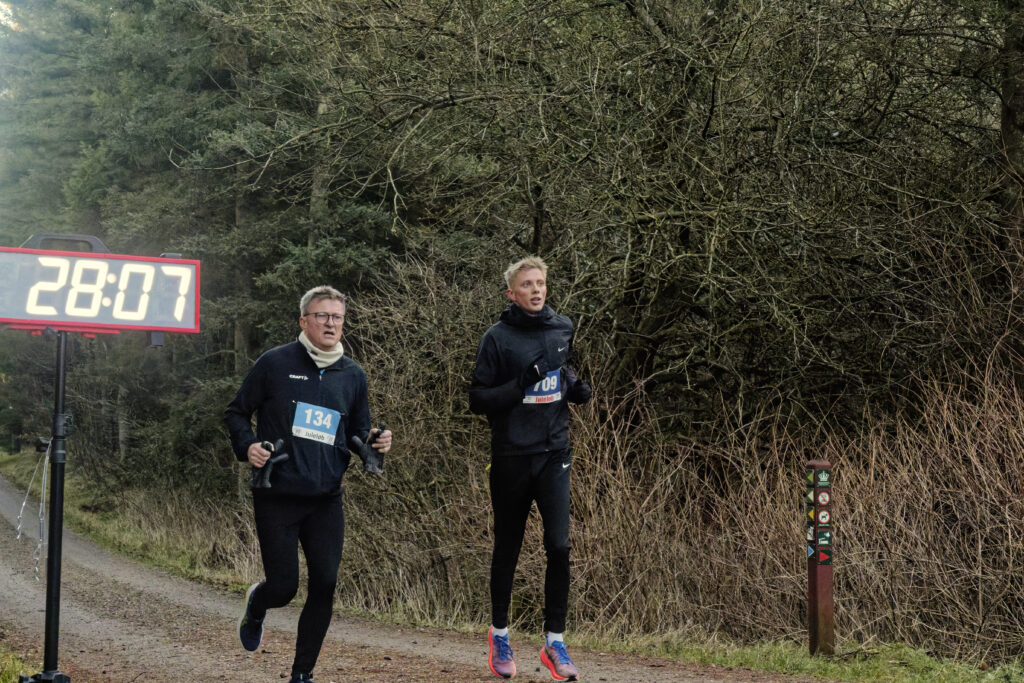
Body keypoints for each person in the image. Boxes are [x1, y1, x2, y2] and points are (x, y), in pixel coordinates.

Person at [225, 285, 392, 683]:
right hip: (277, 495)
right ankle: (257, 603)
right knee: (284, 587)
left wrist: (376, 442)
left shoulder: (352, 374)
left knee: (325, 583)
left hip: (325, 498)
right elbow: (236, 412)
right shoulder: (275, 362)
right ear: (304, 321)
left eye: (337, 317)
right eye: (322, 316)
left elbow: (358, 431)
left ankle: (302, 674)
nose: (331, 324)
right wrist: (248, 447)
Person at [469, 257, 592, 681]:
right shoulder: (496, 338)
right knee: (508, 547)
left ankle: (555, 642)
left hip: (554, 452)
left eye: (541, 283)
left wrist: (575, 387)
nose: (536, 290)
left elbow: (564, 371)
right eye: (527, 284)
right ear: (512, 293)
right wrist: (522, 382)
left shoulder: (563, 328)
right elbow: (478, 400)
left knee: (559, 545)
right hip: (511, 455)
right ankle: (500, 635)